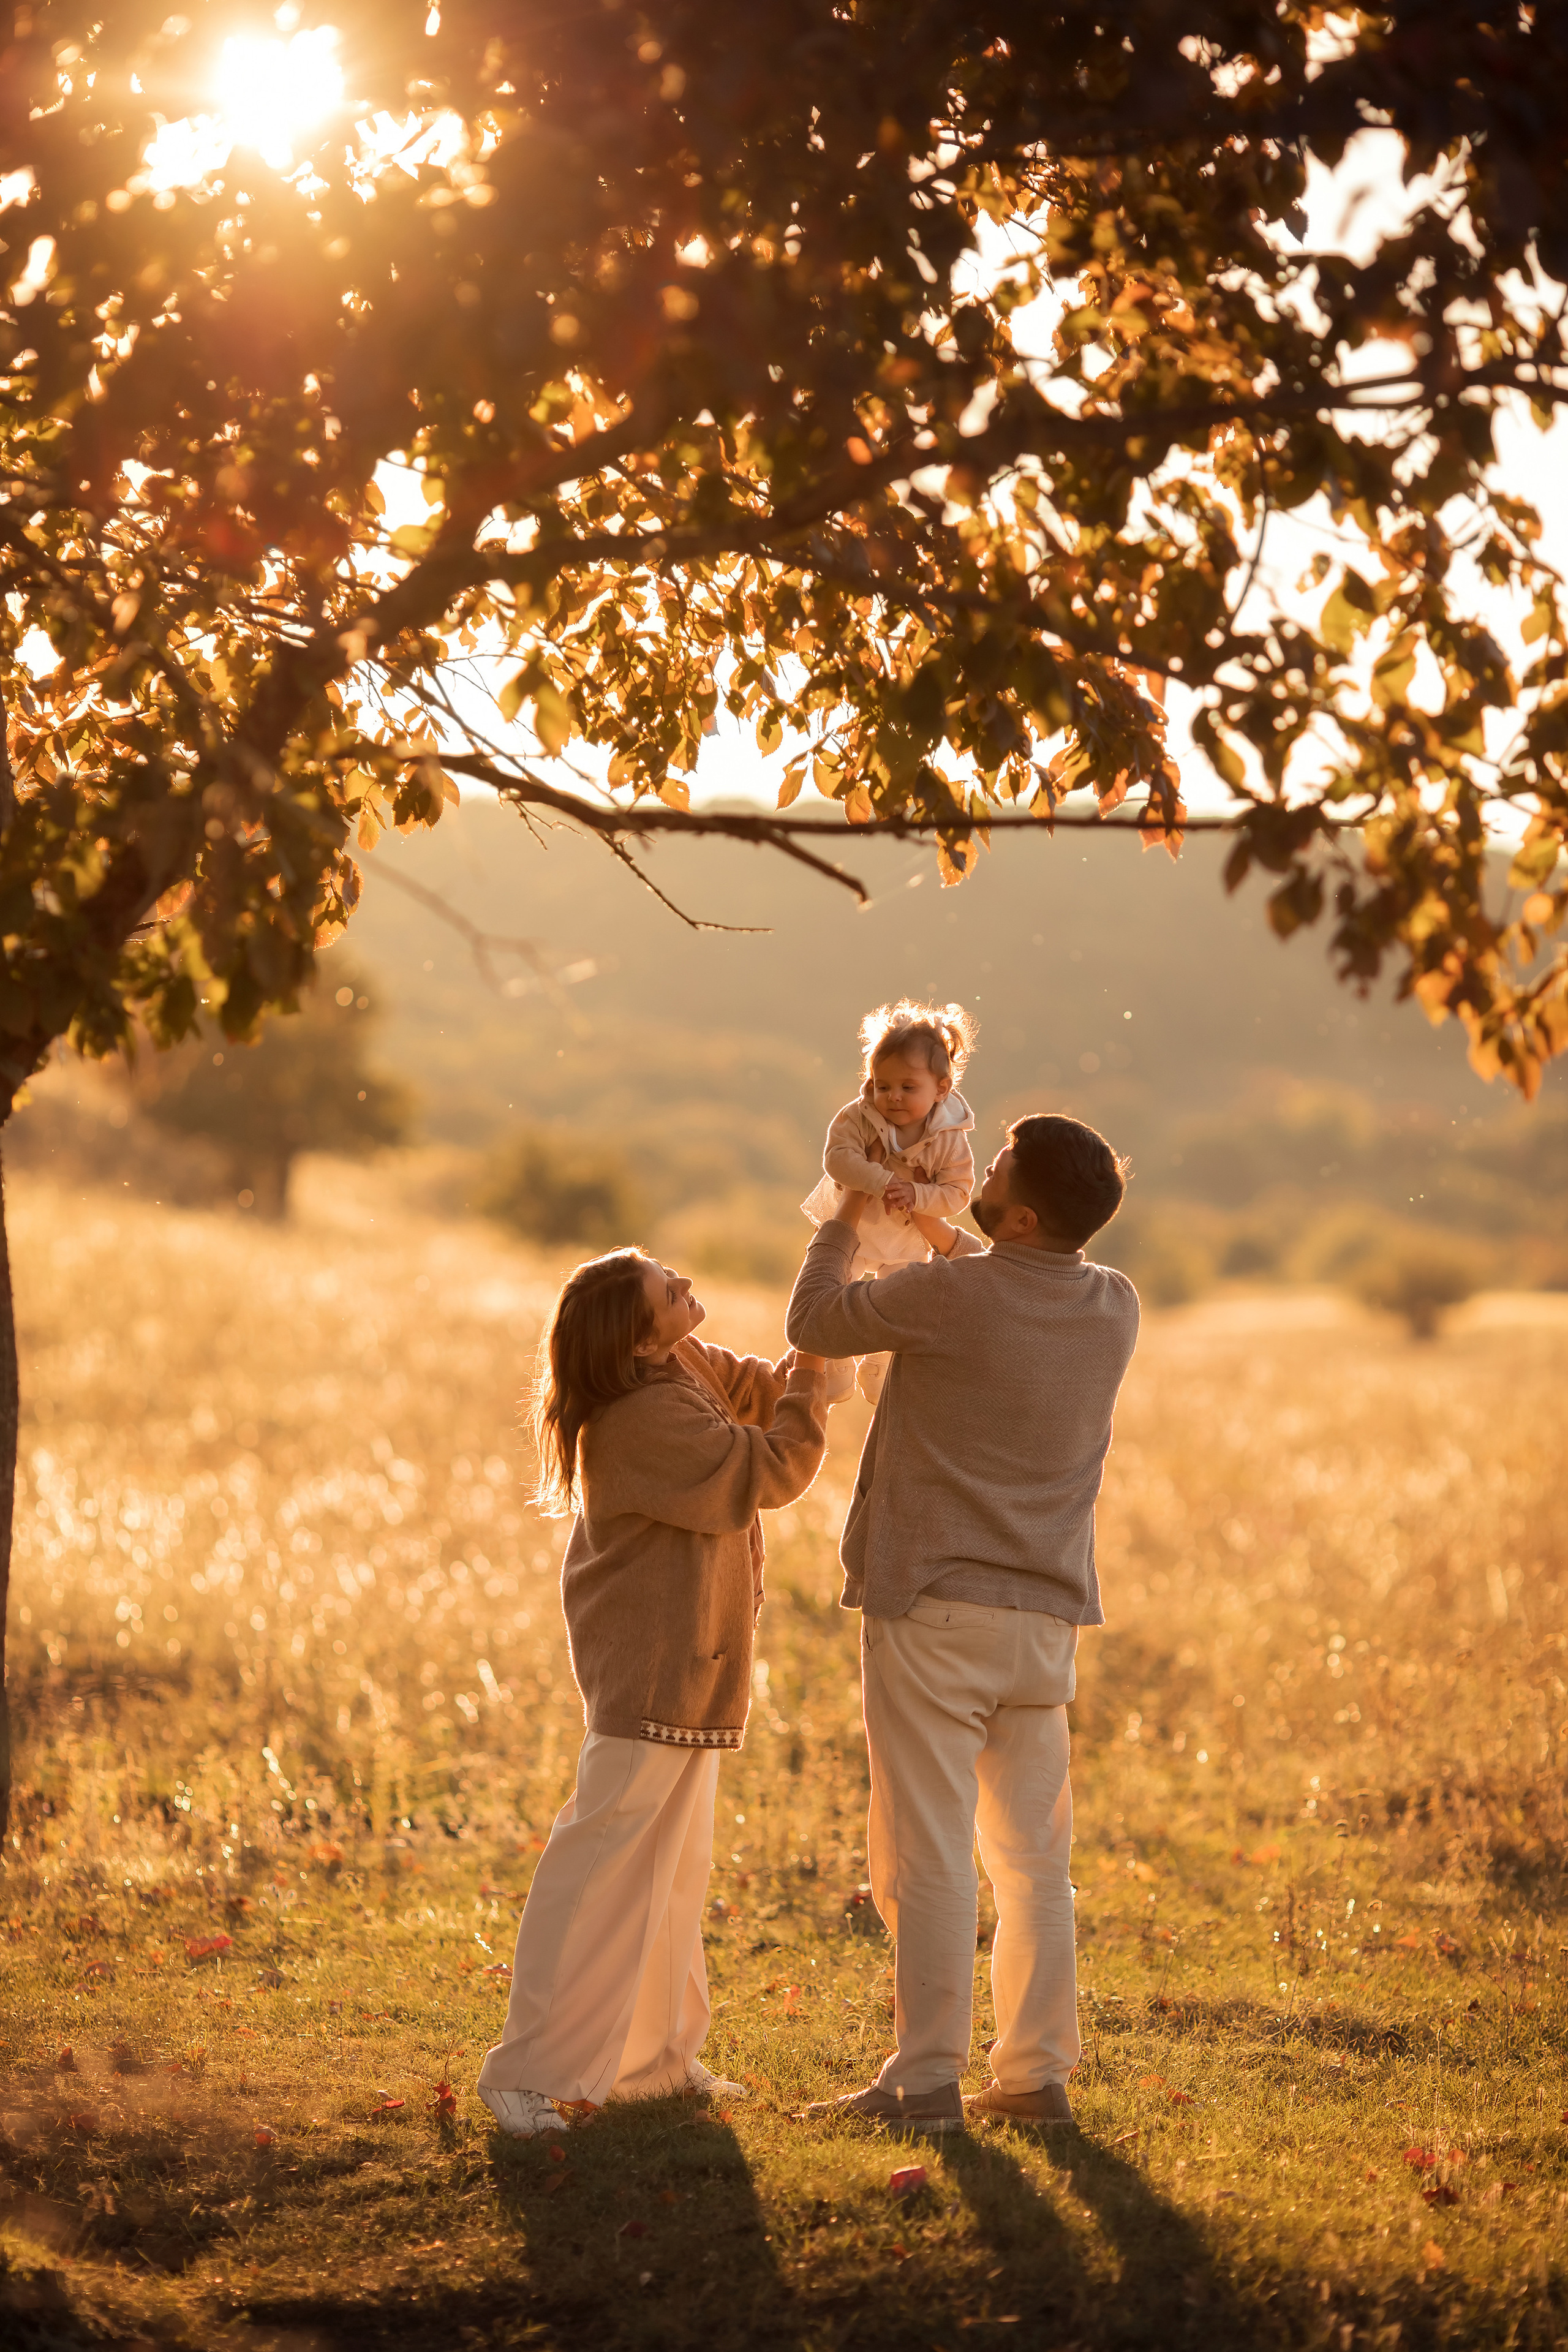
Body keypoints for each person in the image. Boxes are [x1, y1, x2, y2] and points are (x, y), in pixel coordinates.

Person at [785, 1114, 1138, 2134]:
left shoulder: (951, 1298)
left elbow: (815, 1319)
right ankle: (1034, 2080)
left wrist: (850, 1207)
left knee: (926, 1852)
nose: (975, 1173)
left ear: (1022, 1213)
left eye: (999, 1172)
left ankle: (924, 2081)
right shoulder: (1114, 1305)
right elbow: (1005, 1280)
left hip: (934, 1610)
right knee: (1034, 1866)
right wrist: (946, 1226)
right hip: (1044, 1628)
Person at [476, 1250, 827, 2138]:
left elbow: (757, 1388)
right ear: (638, 1338)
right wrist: (815, 1388)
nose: (684, 1286)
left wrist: (829, 1332)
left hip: (697, 1664)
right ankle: (527, 2071)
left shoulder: (680, 1365)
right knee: (599, 1866)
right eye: (667, 1293)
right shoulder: (639, 1418)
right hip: (649, 1665)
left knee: (674, 1869)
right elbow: (769, 1469)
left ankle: (656, 2059)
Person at [800, 1000, 977, 1404]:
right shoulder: (859, 1116)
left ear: (942, 1090)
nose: (892, 1097)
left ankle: (881, 1364)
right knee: (834, 1285)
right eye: (883, 1086)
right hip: (856, 1229)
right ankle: (836, 1356)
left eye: (908, 1088)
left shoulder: (950, 1137)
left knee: (898, 1301)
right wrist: (881, 1180)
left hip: (907, 1236)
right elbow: (838, 1159)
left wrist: (918, 1194)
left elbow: (958, 1193)